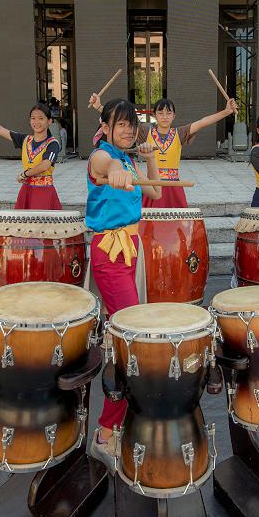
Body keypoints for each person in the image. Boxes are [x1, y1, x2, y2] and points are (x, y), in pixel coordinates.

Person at [85, 98, 160, 467]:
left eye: (132, 124)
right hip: (111, 252)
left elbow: (157, 192)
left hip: (131, 248)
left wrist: (147, 158)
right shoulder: (103, 155)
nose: (129, 129)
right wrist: (114, 166)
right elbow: (103, 163)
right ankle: (104, 432)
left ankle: (123, 413)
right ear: (105, 126)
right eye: (120, 124)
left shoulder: (129, 158)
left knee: (127, 336)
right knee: (130, 339)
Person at [90, 94, 239, 208]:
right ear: (154, 115)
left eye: (169, 113)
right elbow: (118, 117)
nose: (165, 117)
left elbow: (202, 122)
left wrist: (226, 112)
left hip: (173, 186)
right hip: (151, 183)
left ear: (174, 116)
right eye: (160, 113)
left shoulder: (180, 133)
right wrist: (99, 107)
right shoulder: (144, 131)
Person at [0, 104, 63, 209]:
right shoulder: (25, 140)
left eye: (41, 118)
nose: (36, 122)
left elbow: (45, 165)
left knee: (42, 224)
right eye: (33, 118)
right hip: (26, 190)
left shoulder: (52, 144)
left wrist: (25, 174)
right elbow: (0, 130)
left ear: (49, 121)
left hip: (44, 192)